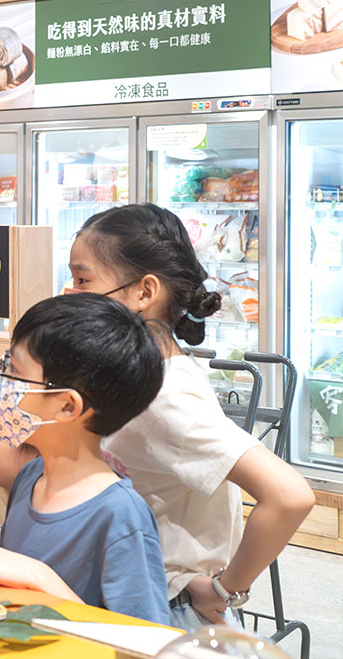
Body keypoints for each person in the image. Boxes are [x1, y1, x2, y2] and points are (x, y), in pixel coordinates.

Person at [71, 203, 315, 629]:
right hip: (140, 599)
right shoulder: (145, 375)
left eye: (82, 279)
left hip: (171, 613)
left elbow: (290, 495)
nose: (69, 293)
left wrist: (225, 589)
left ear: (144, 292)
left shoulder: (163, 394)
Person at [0, 294, 170, 625]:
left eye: (14, 371)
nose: (0, 384)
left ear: (66, 406)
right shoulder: (31, 476)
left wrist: (40, 578)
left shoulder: (120, 515)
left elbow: (146, 641)